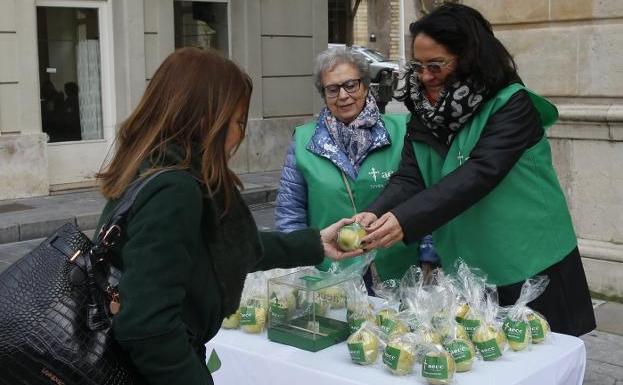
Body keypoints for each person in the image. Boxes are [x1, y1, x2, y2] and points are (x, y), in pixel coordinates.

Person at [95, 48, 359, 385]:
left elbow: (217, 247)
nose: (240, 135)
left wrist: (314, 243)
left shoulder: (152, 164)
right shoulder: (175, 189)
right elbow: (149, 326)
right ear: (206, 120)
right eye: (237, 121)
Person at [353, 4, 595, 336]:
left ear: (468, 57)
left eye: (436, 65)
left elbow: (480, 174)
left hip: (532, 262)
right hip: (471, 269)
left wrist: (403, 221)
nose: (425, 76)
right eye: (418, 66)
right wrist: (374, 213)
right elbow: (411, 176)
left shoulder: (512, 105)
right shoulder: (423, 110)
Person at [275, 47, 439, 293]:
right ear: (324, 95)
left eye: (351, 85)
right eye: (332, 89)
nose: (343, 95)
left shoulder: (403, 131)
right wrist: (297, 264)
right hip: (331, 277)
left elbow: (429, 194)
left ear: (365, 85)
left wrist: (429, 251)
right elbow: (290, 214)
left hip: (400, 273)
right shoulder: (303, 140)